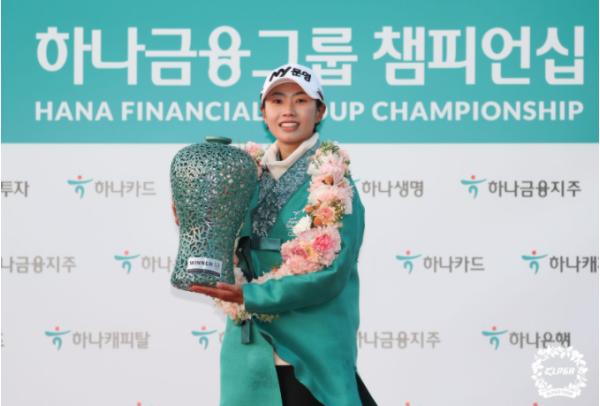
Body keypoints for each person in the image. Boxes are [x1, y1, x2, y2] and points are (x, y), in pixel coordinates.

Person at [176, 63, 376, 405]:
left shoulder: (334, 184)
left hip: (311, 345)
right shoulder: (241, 175)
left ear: (320, 111)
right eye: (277, 100)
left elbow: (332, 273)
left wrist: (249, 295)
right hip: (250, 348)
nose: (288, 110)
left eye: (301, 100)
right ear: (263, 111)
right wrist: (196, 219)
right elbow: (222, 243)